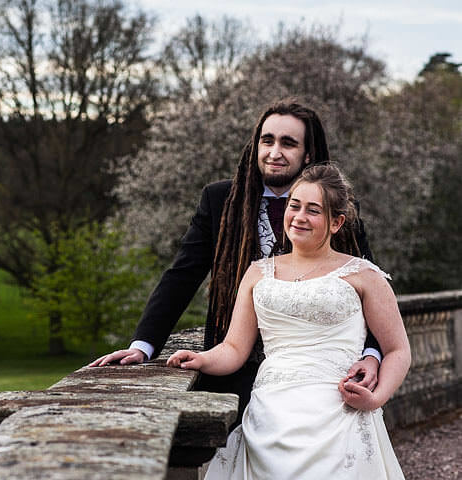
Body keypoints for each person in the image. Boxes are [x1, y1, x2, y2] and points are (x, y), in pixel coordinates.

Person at [90, 99, 381, 420]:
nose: (274, 152)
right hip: (231, 366)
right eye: (267, 140)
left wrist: (371, 356)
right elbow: (182, 276)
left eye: (288, 143)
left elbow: (368, 288)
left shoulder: (337, 209)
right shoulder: (220, 201)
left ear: (308, 154)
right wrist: (142, 345)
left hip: (325, 379)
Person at [166, 164, 409, 478]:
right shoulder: (258, 272)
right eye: (294, 206)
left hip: (339, 411)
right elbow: (234, 348)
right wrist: (200, 359)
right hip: (271, 412)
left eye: (313, 210)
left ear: (336, 222)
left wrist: (375, 398)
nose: (299, 216)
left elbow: (398, 350)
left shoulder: (364, 275)